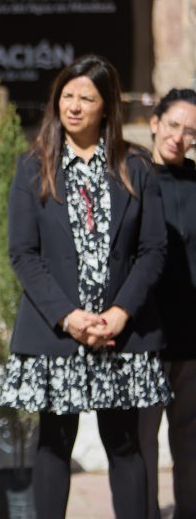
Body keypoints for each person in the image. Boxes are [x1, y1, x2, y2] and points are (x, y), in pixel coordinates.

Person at [0, 54, 172, 519]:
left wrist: (120, 313)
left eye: (87, 98)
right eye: (67, 96)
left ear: (107, 106)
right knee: (54, 443)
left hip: (122, 333)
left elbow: (153, 249)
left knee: (125, 444)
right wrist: (69, 316)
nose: (74, 106)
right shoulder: (33, 167)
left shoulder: (135, 166)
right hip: (57, 330)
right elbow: (23, 254)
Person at [138, 88, 196, 519]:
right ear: (155, 123)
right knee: (141, 447)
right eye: (173, 124)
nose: (179, 137)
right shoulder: (130, 180)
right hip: (143, 335)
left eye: (190, 131)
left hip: (192, 340)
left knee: (191, 447)